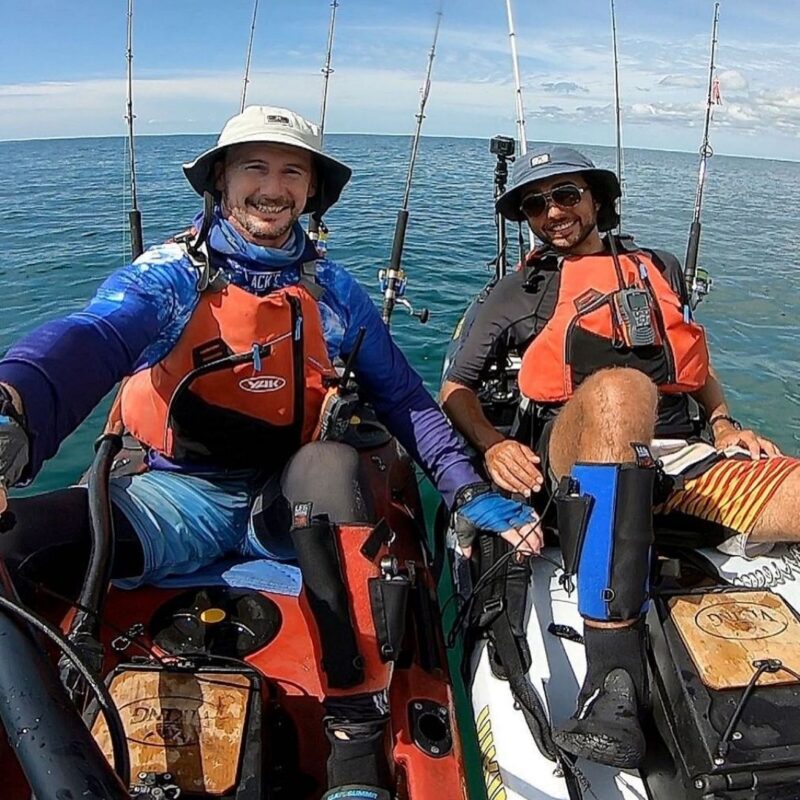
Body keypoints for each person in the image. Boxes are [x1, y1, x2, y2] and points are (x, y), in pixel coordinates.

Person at [0, 106, 541, 800]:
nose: (272, 186)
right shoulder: (170, 276)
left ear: (312, 192)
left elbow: (404, 399)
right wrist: (14, 408)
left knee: (335, 465)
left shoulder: (334, 292)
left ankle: (354, 751)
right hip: (168, 501)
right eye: (253, 166)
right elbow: (93, 336)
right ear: (221, 183)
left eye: (292, 171)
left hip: (279, 505)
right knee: (15, 548)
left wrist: (467, 491)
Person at [441, 144, 800, 769]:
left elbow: (695, 361)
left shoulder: (656, 266)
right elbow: (455, 388)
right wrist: (494, 444)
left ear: (597, 199)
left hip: (675, 457)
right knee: (619, 387)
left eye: (566, 195)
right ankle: (612, 680)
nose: (552, 212)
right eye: (535, 204)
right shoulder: (516, 291)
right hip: (574, 458)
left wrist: (721, 422)